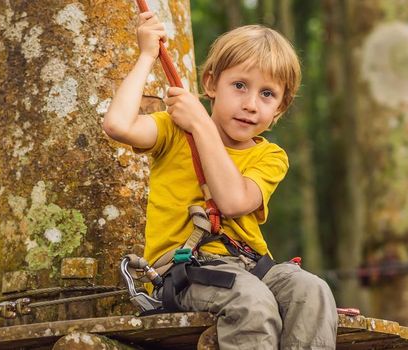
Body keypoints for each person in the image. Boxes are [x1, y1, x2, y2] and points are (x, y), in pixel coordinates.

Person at [102, 11, 338, 350]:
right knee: (251, 302)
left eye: (267, 94)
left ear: (280, 108)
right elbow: (118, 125)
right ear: (211, 84)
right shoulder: (173, 130)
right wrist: (145, 57)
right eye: (239, 86)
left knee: (312, 291)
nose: (251, 104)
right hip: (187, 271)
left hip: (252, 266)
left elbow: (233, 200)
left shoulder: (270, 156)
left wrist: (201, 125)